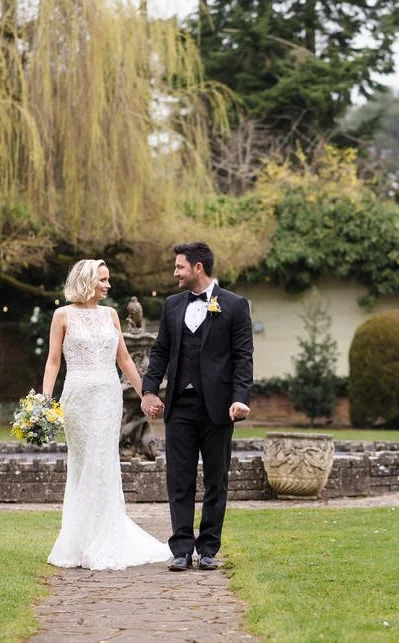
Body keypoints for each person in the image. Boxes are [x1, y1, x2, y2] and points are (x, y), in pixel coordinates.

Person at [42, 259, 172, 570]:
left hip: (108, 397)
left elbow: (125, 360)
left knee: (103, 462)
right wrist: (44, 402)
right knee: (84, 463)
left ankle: (105, 537)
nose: (108, 285)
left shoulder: (111, 315)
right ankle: (80, 540)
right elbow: (53, 361)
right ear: (87, 280)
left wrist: (146, 395)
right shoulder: (62, 315)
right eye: (103, 279)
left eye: (108, 279)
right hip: (77, 397)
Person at [141, 241, 254, 571]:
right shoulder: (172, 305)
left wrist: (240, 397)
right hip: (180, 406)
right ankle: (181, 548)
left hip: (218, 408)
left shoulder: (234, 305)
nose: (175, 272)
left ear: (198, 268)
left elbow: (243, 356)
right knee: (179, 478)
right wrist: (149, 390)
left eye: (179, 267)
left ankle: (208, 549)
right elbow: (160, 351)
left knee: (216, 480)